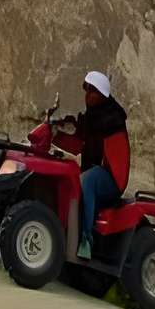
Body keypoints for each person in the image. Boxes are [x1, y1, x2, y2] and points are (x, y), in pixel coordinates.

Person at [52, 70, 129, 259]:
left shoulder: (112, 120)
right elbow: (78, 144)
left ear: (102, 95)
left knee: (87, 180)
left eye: (92, 91)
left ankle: (86, 239)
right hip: (97, 171)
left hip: (111, 178)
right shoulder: (93, 118)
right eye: (86, 90)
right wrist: (55, 135)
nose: (88, 95)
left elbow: (113, 159)